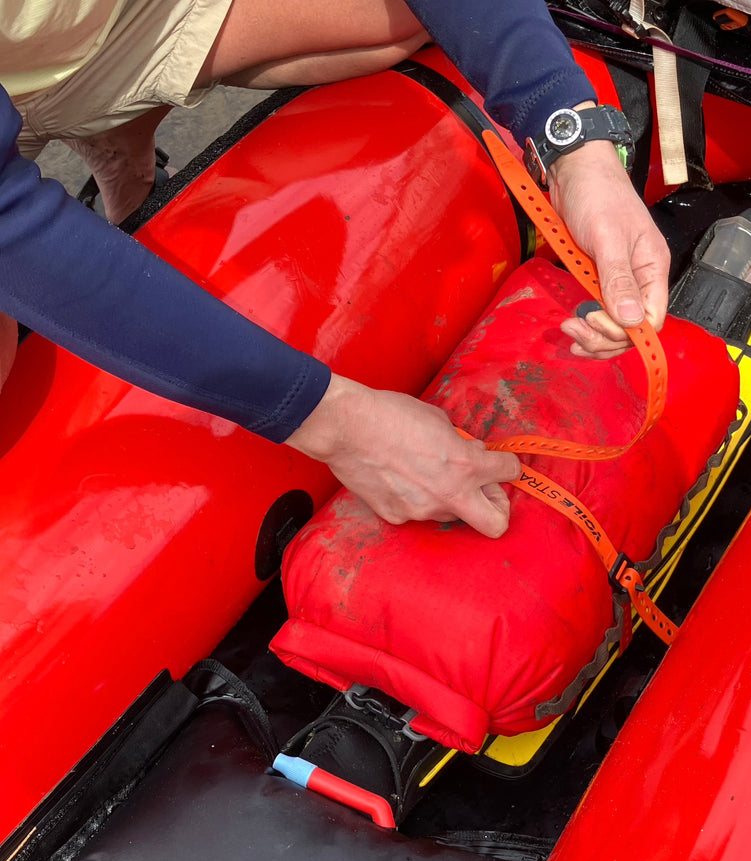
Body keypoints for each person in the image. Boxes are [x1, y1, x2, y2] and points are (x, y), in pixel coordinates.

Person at [0, 0, 670, 538]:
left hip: (113, 22)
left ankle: (113, 129)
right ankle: (70, 130)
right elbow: (11, 230)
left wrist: (573, 141)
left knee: (406, 20)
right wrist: (338, 424)